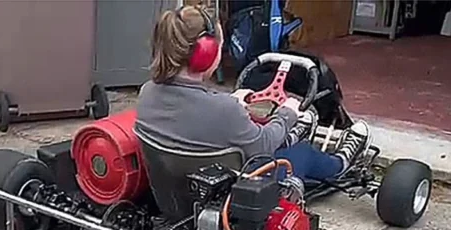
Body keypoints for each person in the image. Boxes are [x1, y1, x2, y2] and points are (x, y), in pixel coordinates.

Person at [135, 6, 370, 182]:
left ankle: (292, 134)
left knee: (274, 137)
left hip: (176, 193)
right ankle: (340, 164)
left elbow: (194, 112)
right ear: (205, 54)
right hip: (233, 194)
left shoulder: (148, 93)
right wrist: (286, 114)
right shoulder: (225, 111)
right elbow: (262, 146)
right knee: (303, 154)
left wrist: (232, 100)